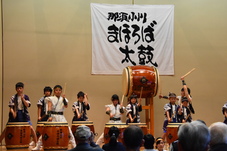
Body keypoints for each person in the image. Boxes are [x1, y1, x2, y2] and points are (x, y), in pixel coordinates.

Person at [32, 85, 76, 150]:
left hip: (61, 116)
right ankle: (38, 146)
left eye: (59, 90)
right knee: (45, 131)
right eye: (56, 90)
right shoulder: (50, 98)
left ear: (61, 91)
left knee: (68, 130)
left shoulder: (64, 99)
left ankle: (74, 145)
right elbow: (49, 108)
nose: (58, 92)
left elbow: (66, 106)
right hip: (53, 116)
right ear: (54, 91)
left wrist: (64, 99)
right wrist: (49, 116)